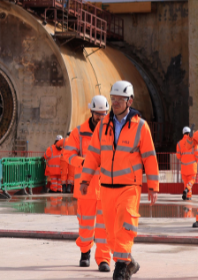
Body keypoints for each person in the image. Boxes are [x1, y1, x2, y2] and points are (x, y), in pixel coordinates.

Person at [80, 81, 159, 280]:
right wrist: (85, 179)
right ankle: (129, 261)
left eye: (119, 99)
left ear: (129, 101)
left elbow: (149, 156)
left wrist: (153, 185)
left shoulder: (140, 126)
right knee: (110, 232)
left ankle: (121, 268)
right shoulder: (103, 125)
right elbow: (93, 155)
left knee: (125, 224)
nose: (115, 103)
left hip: (129, 186)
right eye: (113, 99)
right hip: (106, 186)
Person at [62, 95, 113, 272]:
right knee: (85, 225)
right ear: (92, 112)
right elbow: (67, 155)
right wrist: (84, 162)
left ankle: (104, 259)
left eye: (104, 114)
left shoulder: (111, 131)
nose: (101, 117)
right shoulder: (78, 132)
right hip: (86, 188)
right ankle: (85, 252)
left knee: (104, 226)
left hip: (105, 187)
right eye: (98, 114)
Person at [176, 126, 198, 200]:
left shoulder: (179, 143)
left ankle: (188, 196)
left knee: (185, 182)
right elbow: (197, 153)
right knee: (191, 181)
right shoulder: (193, 142)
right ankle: (187, 189)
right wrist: (197, 160)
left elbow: (178, 156)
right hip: (192, 167)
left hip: (184, 167)